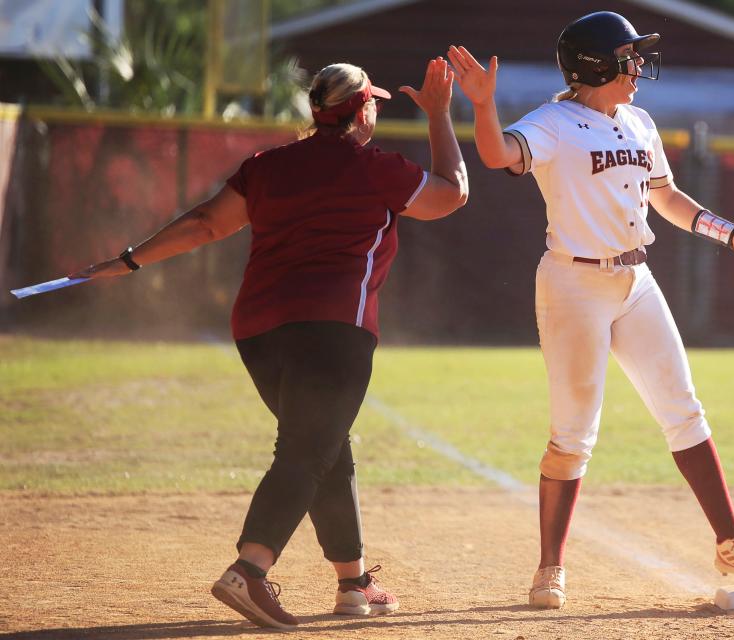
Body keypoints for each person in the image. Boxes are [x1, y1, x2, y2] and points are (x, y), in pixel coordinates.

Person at [71, 58, 468, 629]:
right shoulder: (374, 166)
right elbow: (452, 194)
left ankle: (353, 582)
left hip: (258, 331)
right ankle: (249, 571)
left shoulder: (269, 165)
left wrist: (131, 259)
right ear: (360, 112)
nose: (376, 108)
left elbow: (208, 223)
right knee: (308, 450)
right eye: (372, 102)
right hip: (333, 329)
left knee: (324, 445)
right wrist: (438, 116)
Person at [448, 11, 734, 609]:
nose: (638, 69)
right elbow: (496, 156)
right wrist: (482, 105)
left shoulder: (639, 121)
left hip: (635, 279)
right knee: (573, 435)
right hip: (573, 286)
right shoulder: (552, 122)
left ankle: (731, 541)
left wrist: (730, 233)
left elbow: (667, 197)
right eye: (628, 58)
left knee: (683, 409)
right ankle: (550, 568)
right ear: (598, 64)